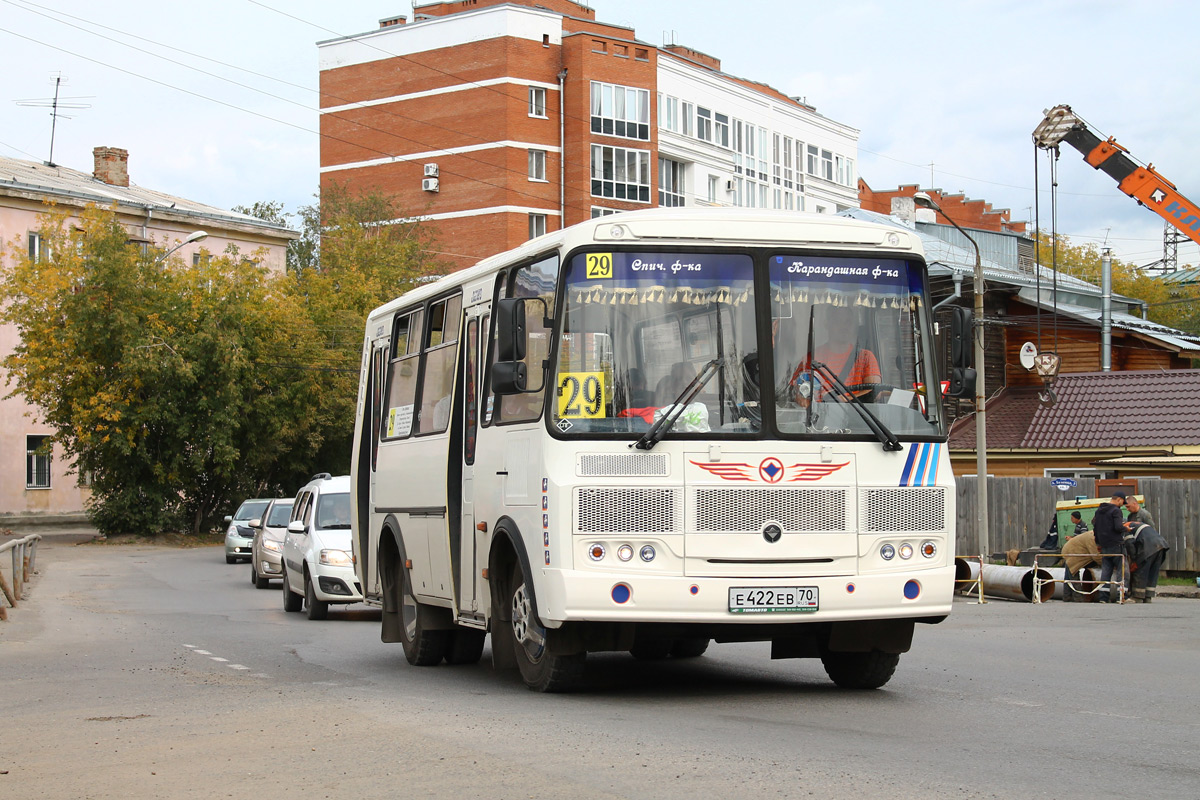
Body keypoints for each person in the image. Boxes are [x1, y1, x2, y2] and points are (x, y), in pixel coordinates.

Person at [783, 305, 882, 402]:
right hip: (820, 417)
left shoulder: (865, 358)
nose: (844, 326)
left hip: (857, 417)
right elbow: (794, 393)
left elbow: (874, 394)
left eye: (848, 322)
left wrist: (839, 401)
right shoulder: (812, 358)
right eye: (838, 321)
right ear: (827, 324)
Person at [1092, 491, 1127, 603]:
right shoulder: (1116, 510)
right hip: (1116, 544)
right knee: (1123, 571)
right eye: (1122, 502)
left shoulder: (1099, 511)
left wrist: (1098, 544)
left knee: (1106, 571)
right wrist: (1126, 528)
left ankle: (1103, 597)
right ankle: (1120, 596)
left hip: (1104, 545)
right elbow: (1118, 527)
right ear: (1119, 499)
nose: (1122, 504)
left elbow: (1095, 529)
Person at [1123, 518, 1169, 603]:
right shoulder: (1138, 524)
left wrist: (1134, 560)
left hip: (1148, 547)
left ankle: (1137, 596)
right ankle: (1148, 596)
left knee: (1141, 570)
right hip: (1161, 545)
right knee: (1152, 571)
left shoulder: (1126, 527)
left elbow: (1129, 544)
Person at [1061, 526, 1101, 602]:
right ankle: (1078, 598)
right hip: (1072, 553)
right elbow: (1096, 556)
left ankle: (1067, 596)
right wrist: (1105, 564)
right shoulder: (1092, 538)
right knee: (1073, 574)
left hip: (1070, 550)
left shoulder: (1093, 534)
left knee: (1068, 576)